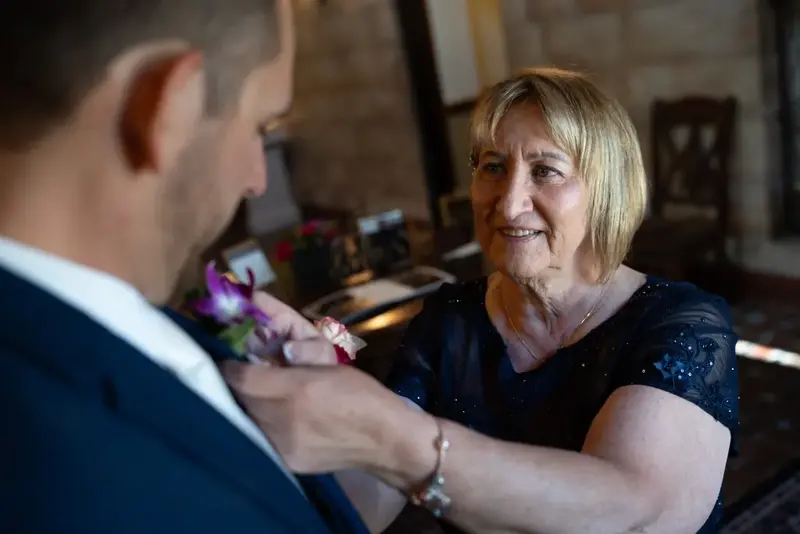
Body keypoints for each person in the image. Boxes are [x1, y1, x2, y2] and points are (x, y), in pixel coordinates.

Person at [222, 68, 740, 534]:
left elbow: (627, 509)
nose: (509, 203)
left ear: (607, 189)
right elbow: (365, 505)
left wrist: (392, 437)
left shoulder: (682, 324)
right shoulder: (452, 319)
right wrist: (319, 390)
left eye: (545, 171)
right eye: (492, 167)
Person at [0, 2, 368, 533]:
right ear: (170, 107)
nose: (257, 180)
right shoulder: (63, 472)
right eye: (260, 125)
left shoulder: (122, 324)